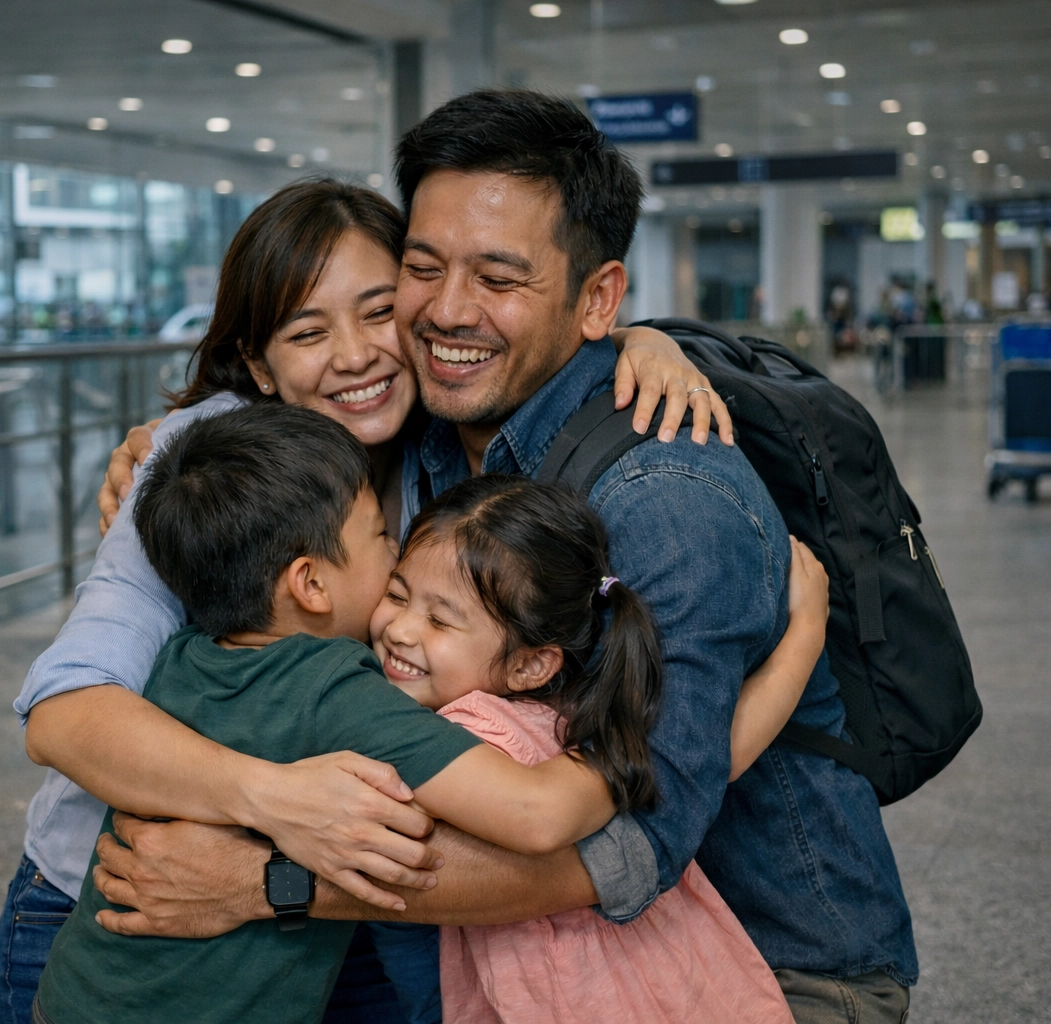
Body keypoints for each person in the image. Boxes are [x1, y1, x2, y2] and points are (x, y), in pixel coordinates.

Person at [88, 91, 919, 1024]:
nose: (447, 311)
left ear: (597, 298)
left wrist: (273, 881)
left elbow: (631, 848)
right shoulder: (442, 441)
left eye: (499, 277)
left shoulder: (667, 503)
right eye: (423, 266)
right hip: (550, 975)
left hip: (762, 974)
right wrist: (181, 439)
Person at [0, 177, 725, 1024]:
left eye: (380, 311)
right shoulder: (218, 466)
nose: (355, 355)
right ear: (262, 363)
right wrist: (276, 800)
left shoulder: (449, 442)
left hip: (335, 921)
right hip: (124, 903)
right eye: (308, 332)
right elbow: (65, 714)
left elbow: (537, 340)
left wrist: (644, 343)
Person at [34, 405, 624, 1024]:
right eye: (378, 536)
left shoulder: (177, 659)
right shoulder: (337, 691)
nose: (394, 550)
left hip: (74, 995)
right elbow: (536, 816)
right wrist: (667, 753)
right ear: (311, 584)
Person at [386, 474, 826, 1024]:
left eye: (439, 620)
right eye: (396, 595)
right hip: (680, 983)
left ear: (529, 664)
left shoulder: (459, 732)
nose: (399, 630)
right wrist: (807, 633)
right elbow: (724, 752)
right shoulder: (573, 713)